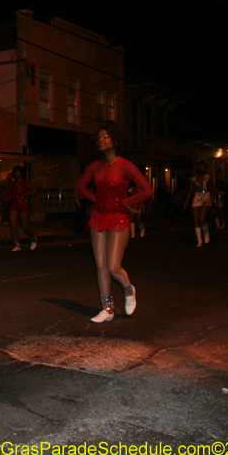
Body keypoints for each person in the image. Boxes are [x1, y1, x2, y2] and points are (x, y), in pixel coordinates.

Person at [75, 127, 152, 323]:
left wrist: (125, 202)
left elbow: (147, 191)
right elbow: (80, 186)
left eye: (105, 136)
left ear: (115, 141)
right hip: (99, 217)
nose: (101, 140)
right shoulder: (95, 166)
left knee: (112, 266)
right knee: (100, 265)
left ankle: (128, 288)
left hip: (118, 217)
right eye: (99, 137)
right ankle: (107, 309)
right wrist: (97, 200)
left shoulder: (126, 166)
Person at [183, 161, 217, 247]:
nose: (204, 169)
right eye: (202, 167)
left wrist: (213, 200)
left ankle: (206, 232)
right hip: (197, 196)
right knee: (195, 219)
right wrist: (186, 204)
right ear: (198, 167)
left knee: (201, 218)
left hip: (206, 196)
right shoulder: (193, 179)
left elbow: (212, 189)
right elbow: (190, 192)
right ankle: (199, 240)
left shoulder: (208, 178)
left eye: (205, 167)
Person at [4, 165, 38, 251]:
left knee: (25, 225)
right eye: (15, 171)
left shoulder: (24, 183)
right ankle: (17, 244)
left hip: (23, 204)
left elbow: (34, 190)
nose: (16, 173)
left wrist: (24, 195)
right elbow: (6, 192)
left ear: (21, 173)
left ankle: (33, 237)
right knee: (12, 224)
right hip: (14, 204)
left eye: (18, 171)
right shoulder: (11, 184)